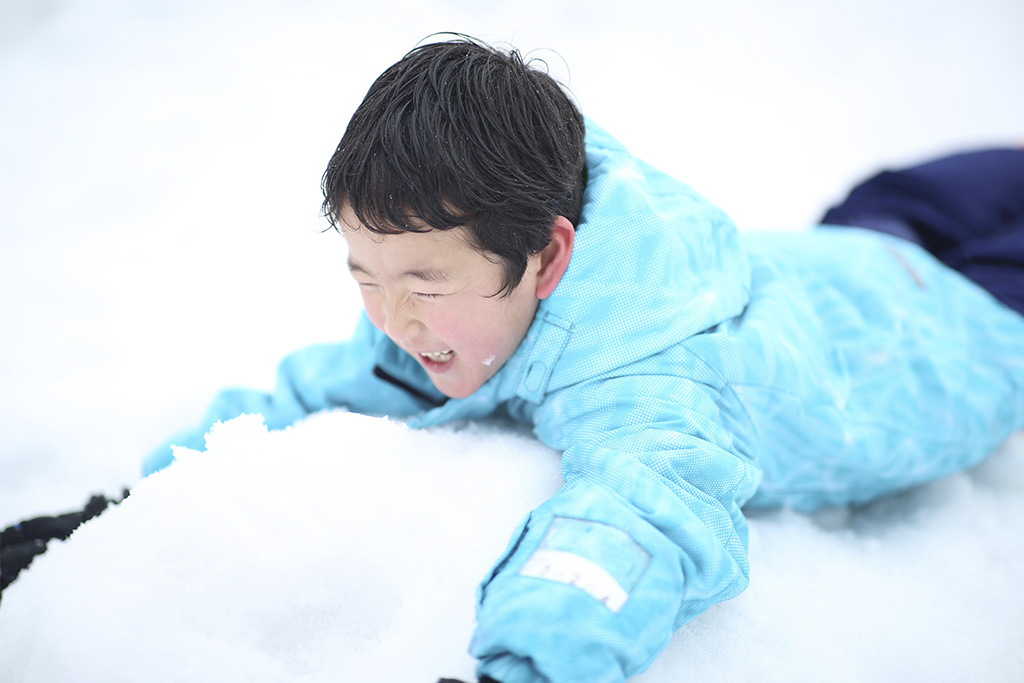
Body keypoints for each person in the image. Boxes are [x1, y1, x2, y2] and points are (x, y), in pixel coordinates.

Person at [119, 37, 1024, 681]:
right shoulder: (474, 282)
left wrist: (530, 666)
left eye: (424, 285)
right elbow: (310, 390)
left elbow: (636, 521)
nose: (393, 321)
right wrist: (121, 505)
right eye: (367, 278)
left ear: (549, 255)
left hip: (982, 319)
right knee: (909, 193)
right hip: (863, 244)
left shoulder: (651, 381)